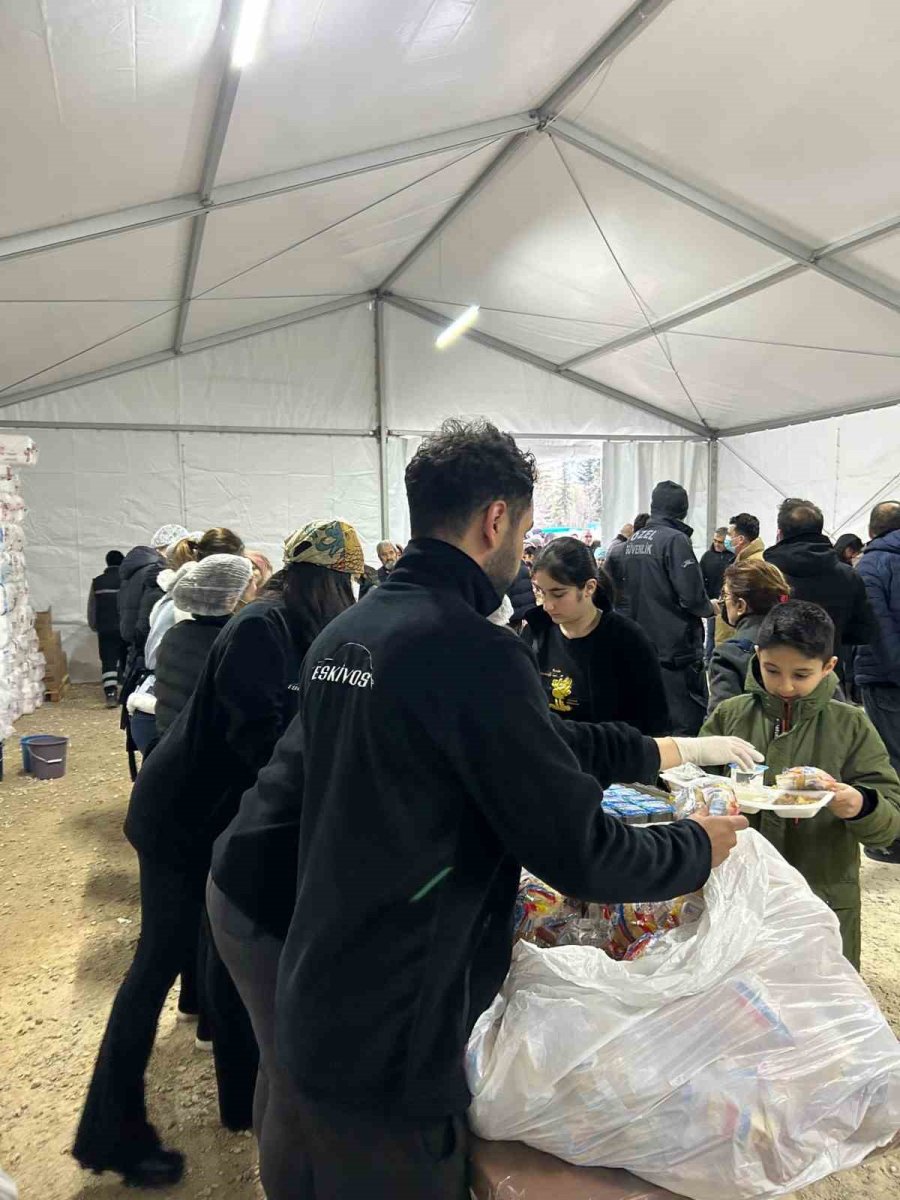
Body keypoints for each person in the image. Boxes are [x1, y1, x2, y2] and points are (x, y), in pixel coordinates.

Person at [210, 420, 754, 1200]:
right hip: (392, 995)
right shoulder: (470, 646)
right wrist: (695, 846)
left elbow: (525, 740)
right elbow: (582, 853)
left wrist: (665, 749)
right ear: (496, 519)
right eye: (526, 531)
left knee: (305, 1128)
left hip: (320, 957)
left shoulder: (353, 628)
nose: (525, 556)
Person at [72, 520, 361, 1188]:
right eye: (345, 584)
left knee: (216, 960)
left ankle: (237, 1102)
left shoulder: (285, 625)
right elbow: (255, 738)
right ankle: (109, 1130)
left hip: (206, 818)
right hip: (179, 820)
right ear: (327, 580)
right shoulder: (262, 628)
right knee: (156, 966)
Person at [701, 600, 900, 967]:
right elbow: (700, 783)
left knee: (819, 992)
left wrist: (858, 804)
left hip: (821, 887)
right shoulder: (731, 716)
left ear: (828, 667)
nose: (786, 686)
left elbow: (890, 821)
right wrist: (711, 797)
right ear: (758, 656)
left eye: (802, 674)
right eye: (772, 670)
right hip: (742, 885)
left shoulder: (850, 726)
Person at [523, 537, 670, 735]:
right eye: (540, 591)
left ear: (589, 588)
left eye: (558, 594)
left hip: (612, 759)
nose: (547, 604)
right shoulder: (535, 632)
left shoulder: (628, 640)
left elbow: (654, 723)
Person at [624, 482, 717, 735]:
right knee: (685, 723)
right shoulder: (675, 540)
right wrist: (712, 608)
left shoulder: (633, 540)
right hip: (675, 649)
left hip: (643, 644)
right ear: (682, 510)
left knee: (651, 720)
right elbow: (691, 597)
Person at [763, 499, 874, 669]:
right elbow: (862, 631)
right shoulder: (848, 575)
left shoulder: (764, 573)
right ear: (819, 530)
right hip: (826, 671)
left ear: (780, 533)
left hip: (772, 673)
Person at [154, 555, 254, 738]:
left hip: (171, 742)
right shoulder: (231, 642)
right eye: (251, 584)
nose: (256, 591)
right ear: (233, 597)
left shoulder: (176, 633)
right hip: (205, 750)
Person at [856, 500, 900, 864]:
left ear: (872, 530)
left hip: (887, 677)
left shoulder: (873, 562)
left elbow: (876, 625)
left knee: (892, 758)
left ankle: (894, 839)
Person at [707, 560, 791, 713]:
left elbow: (721, 722)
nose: (721, 602)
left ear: (740, 605)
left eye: (725, 595)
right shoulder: (802, 641)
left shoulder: (729, 655)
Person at [713, 514, 763, 646]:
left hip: (739, 639)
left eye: (730, 535)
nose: (726, 539)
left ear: (740, 539)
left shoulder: (753, 564)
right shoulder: (742, 560)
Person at [87, 550, 125, 706]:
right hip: (125, 627)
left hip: (105, 628)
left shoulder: (98, 582)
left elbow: (92, 607)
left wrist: (94, 625)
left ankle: (110, 693)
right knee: (127, 658)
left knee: (108, 660)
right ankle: (127, 693)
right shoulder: (127, 581)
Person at [700, 526, 734, 662]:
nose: (717, 544)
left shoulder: (733, 557)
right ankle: (708, 659)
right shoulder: (707, 557)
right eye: (715, 541)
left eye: (720, 542)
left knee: (725, 634)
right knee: (711, 633)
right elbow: (700, 578)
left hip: (728, 600)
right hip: (712, 600)